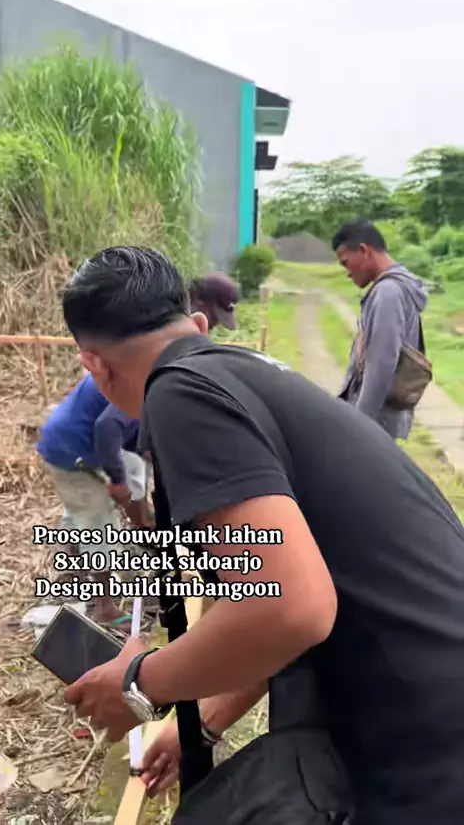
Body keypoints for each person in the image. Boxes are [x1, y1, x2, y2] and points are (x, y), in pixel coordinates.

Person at [61, 246, 464, 824]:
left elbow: (293, 609)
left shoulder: (179, 394)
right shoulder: (245, 373)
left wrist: (138, 684)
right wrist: (205, 718)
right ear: (198, 324)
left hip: (423, 737)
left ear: (94, 366)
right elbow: (273, 596)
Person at [37, 374, 153, 632]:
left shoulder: (144, 374)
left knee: (83, 509)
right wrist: (118, 482)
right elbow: (108, 426)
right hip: (73, 451)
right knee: (99, 525)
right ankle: (105, 608)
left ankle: (72, 556)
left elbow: (135, 459)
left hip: (69, 440)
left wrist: (141, 512)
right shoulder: (143, 383)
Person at [332, 218, 429, 440]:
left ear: (364, 251)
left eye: (346, 263)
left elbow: (381, 365)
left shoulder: (388, 293)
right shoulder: (396, 287)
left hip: (377, 423)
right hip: (382, 419)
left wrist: (360, 426)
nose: (347, 272)